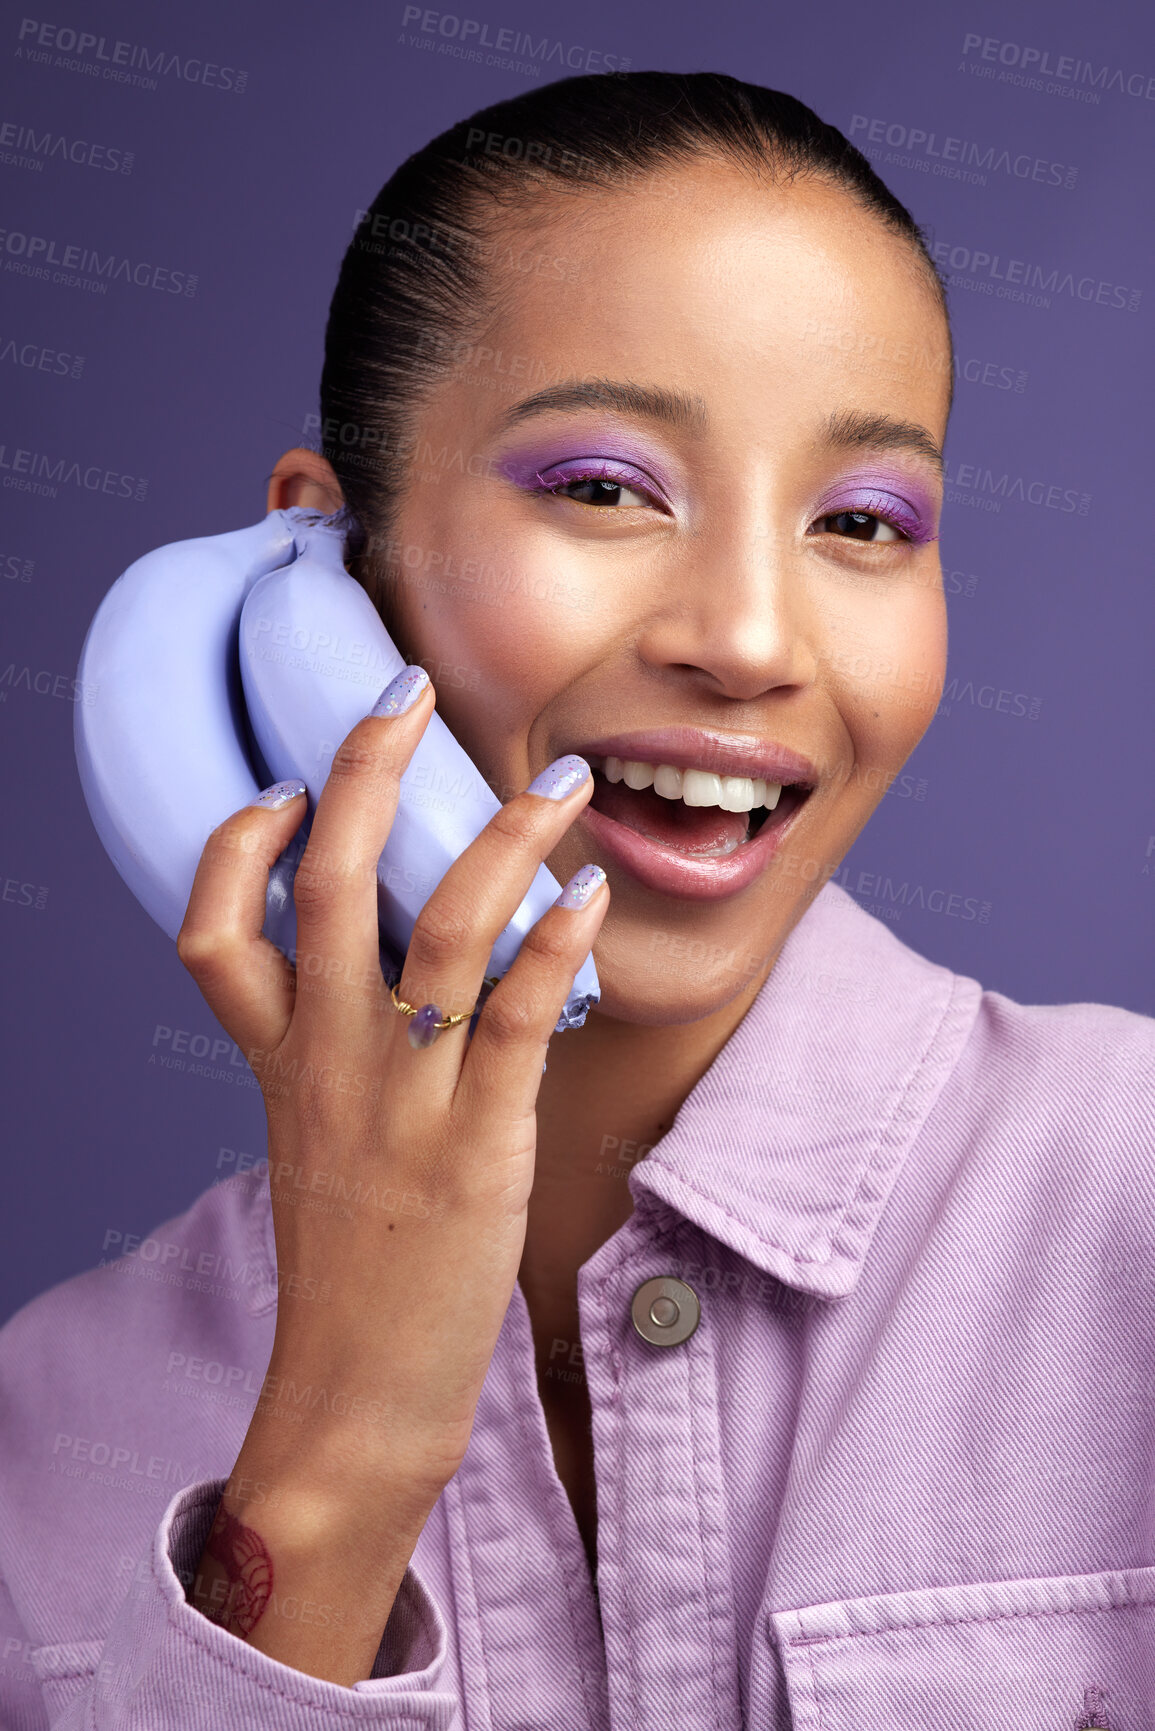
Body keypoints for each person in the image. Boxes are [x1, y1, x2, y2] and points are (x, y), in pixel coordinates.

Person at [1, 69, 1152, 1729]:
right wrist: (334, 1457)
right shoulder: (52, 1429)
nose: (750, 640)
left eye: (863, 521)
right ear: (320, 567)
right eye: (606, 489)